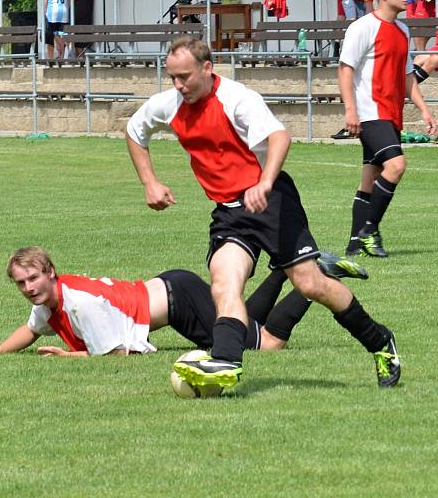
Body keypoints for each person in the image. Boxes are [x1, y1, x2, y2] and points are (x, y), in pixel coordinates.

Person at [124, 35, 400, 390]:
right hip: (228, 211)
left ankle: (380, 341)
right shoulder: (169, 104)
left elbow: (279, 137)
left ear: (207, 68)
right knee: (224, 282)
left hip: (271, 203)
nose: (178, 85)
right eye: (172, 77)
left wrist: (265, 183)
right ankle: (226, 362)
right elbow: (134, 131)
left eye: (185, 76)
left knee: (311, 285)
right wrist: (150, 182)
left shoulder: (237, 99)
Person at [0, 247, 369, 358]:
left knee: (267, 344)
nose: (29, 287)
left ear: (51, 272)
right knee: (240, 317)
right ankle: (289, 269)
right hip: (173, 288)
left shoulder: (76, 303)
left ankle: (314, 278)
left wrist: (66, 356)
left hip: (178, 303)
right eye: (21, 282)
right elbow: (30, 328)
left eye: (33, 277)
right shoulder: (53, 297)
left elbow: (120, 352)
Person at [338, 0, 437, 258]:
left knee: (370, 177)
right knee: (396, 166)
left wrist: (423, 108)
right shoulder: (363, 27)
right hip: (370, 112)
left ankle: (355, 244)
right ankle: (370, 230)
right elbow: (345, 69)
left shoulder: (403, 30)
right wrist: (350, 109)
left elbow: (407, 77)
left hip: (391, 114)